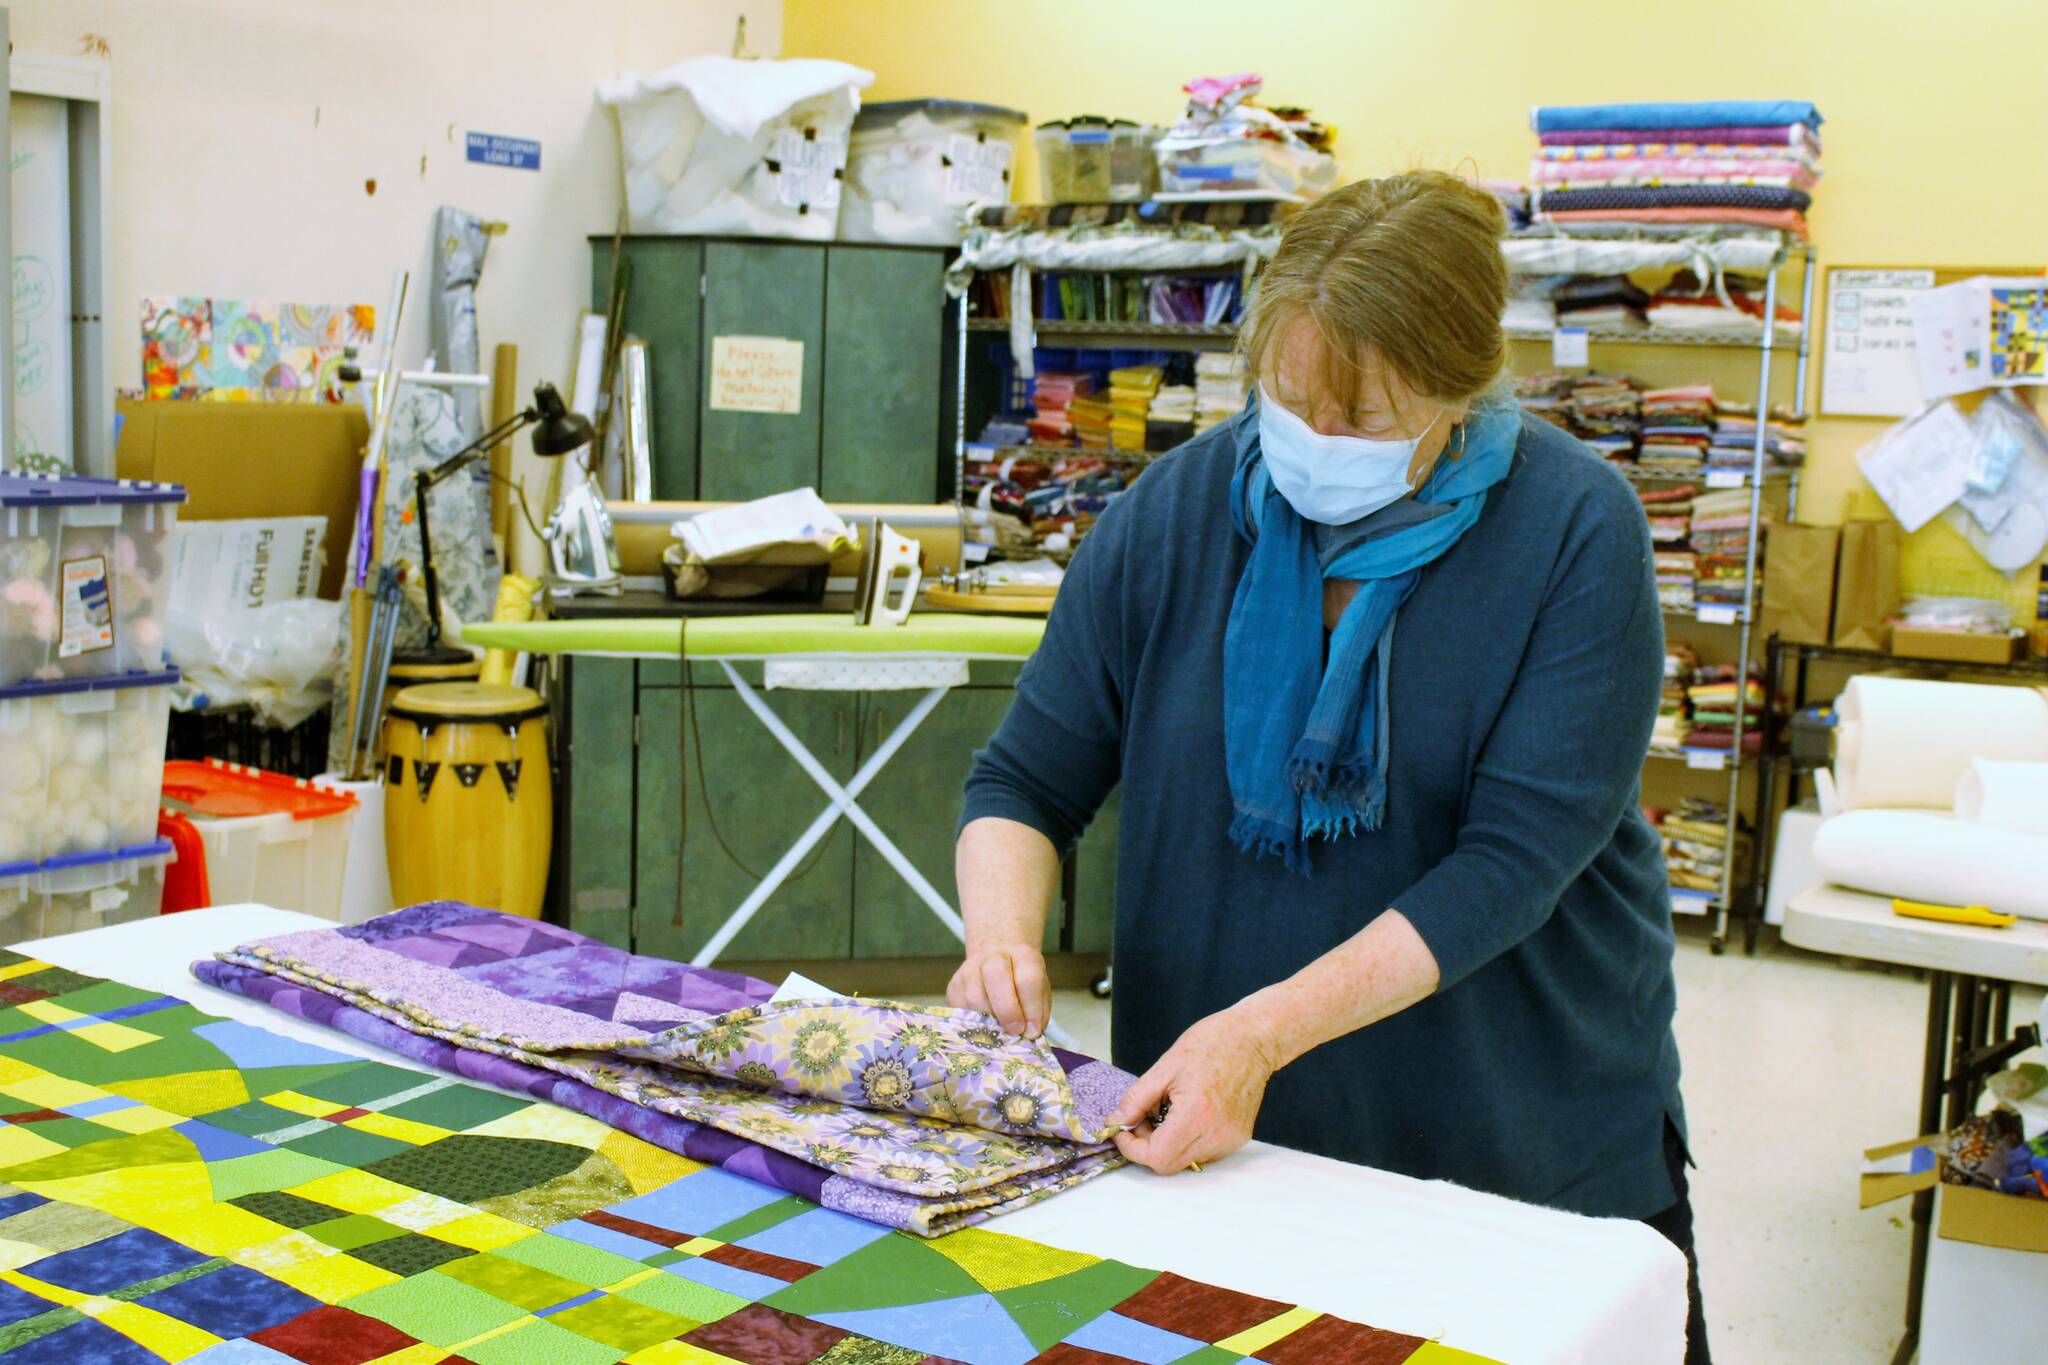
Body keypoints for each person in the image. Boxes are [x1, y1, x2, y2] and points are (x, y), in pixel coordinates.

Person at [949, 171, 1709, 1364]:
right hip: (1221, 1143)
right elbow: (1024, 783)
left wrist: (1258, 1033)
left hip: (1512, 1135)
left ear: (1458, 392)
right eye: (1287, 400)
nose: (1314, 444)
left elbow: (1509, 867)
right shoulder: (1177, 511)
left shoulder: (1574, 532)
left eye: (1358, 421)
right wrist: (999, 941)